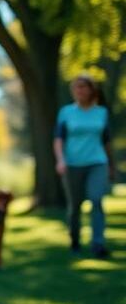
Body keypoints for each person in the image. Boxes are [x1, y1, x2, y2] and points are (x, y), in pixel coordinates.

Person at [54, 74, 115, 258]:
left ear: (91, 90)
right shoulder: (66, 112)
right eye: (76, 87)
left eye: (83, 86)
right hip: (72, 164)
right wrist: (60, 160)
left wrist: (111, 164)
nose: (79, 90)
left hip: (97, 162)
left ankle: (98, 243)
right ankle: (74, 239)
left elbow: (106, 141)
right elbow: (58, 140)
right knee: (75, 206)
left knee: (96, 200)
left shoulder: (101, 113)